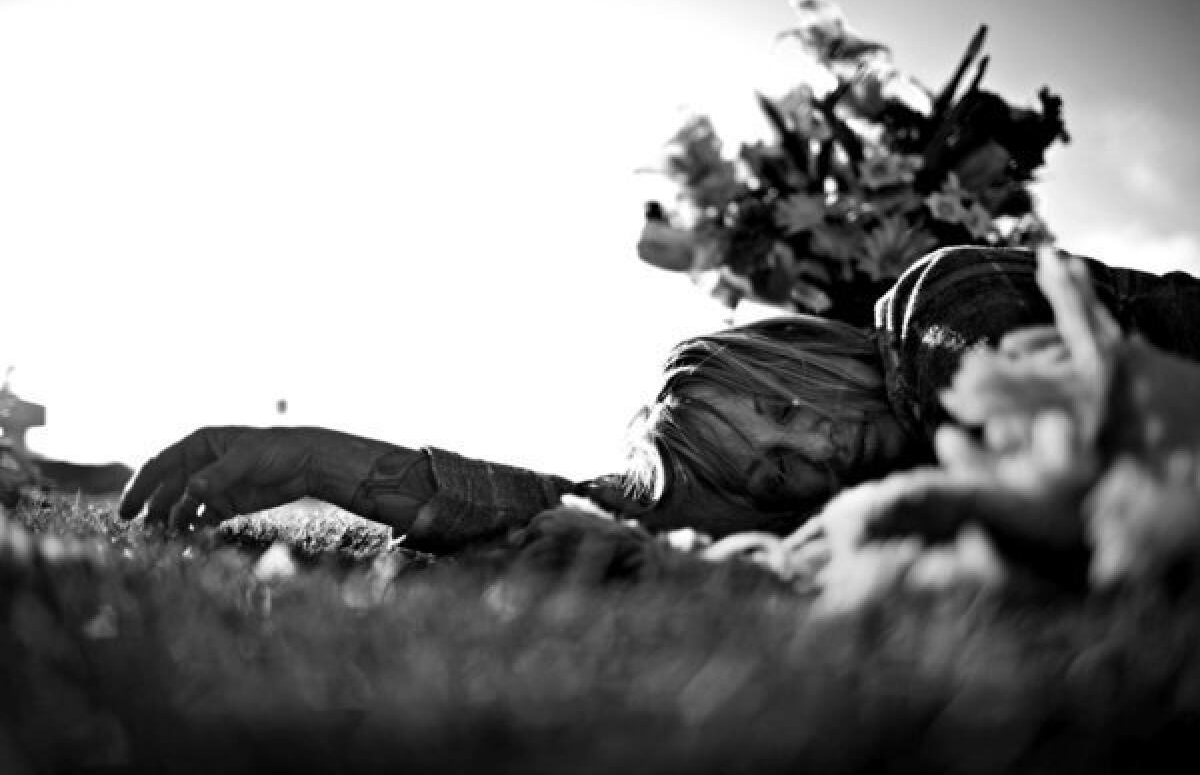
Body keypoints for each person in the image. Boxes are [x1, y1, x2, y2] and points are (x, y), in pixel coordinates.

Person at [118, 245, 1200, 554]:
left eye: (779, 408)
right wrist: (323, 461)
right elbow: (593, 506)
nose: (819, 444)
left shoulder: (942, 313)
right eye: (777, 473)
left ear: (784, 351)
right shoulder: (924, 484)